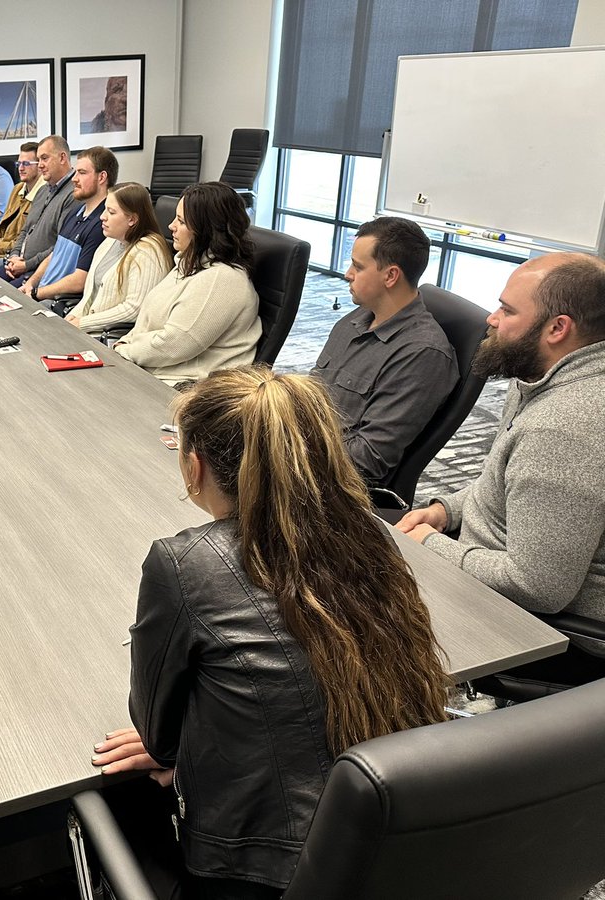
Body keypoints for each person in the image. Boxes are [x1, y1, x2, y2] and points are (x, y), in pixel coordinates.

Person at [93, 366, 449, 899]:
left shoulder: (184, 564)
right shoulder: (370, 535)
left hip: (264, 867)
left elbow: (159, 740)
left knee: (114, 799)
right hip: (401, 832)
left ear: (193, 467)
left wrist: (185, 757)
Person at [398, 252, 605, 676]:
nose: (491, 319)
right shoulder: (542, 376)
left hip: (539, 631)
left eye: (507, 310)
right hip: (484, 566)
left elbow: (538, 588)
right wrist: (445, 511)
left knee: (335, 617)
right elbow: (506, 479)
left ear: (557, 328)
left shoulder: (564, 427)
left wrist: (431, 545)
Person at [310, 217, 458, 485]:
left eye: (357, 266)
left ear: (390, 275)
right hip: (302, 452)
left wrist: (288, 449)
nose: (347, 274)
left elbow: (367, 460)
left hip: (330, 486)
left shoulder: (422, 354)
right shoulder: (355, 320)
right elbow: (311, 393)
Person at [114, 182, 260, 385]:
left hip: (186, 390)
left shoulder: (223, 280)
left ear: (206, 230)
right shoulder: (189, 262)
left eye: (181, 221)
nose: (171, 226)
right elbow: (148, 323)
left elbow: (172, 344)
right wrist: (124, 344)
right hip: (153, 373)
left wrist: (124, 349)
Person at [65, 181, 173, 334]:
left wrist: (83, 323)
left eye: (111, 212)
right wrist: (72, 317)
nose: (103, 217)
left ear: (132, 219)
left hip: (109, 338)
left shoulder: (147, 252)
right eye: (104, 210)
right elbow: (90, 296)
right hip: (88, 330)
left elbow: (134, 309)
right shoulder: (111, 240)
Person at [19, 145, 116, 313]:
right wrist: (31, 283)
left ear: (102, 177)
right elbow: (54, 254)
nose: (74, 179)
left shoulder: (103, 223)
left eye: (82, 173)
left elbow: (80, 280)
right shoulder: (76, 212)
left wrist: (37, 293)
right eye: (76, 172)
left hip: (58, 302)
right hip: (41, 292)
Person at [0, 134, 78, 283]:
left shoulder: (73, 195)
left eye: (44, 158)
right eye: (39, 159)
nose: (40, 164)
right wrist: (14, 256)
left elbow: (60, 247)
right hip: (18, 262)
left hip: (38, 270)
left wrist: (25, 265)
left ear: (62, 158)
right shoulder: (43, 190)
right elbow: (25, 230)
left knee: (0, 292)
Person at [0, 141, 42, 264]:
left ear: (40, 165)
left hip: (16, 255)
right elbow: (3, 224)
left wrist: (0, 247)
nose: (21, 168)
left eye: (26, 164)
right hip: (0, 247)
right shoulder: (17, 189)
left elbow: (30, 242)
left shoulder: (43, 195)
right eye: (19, 163)